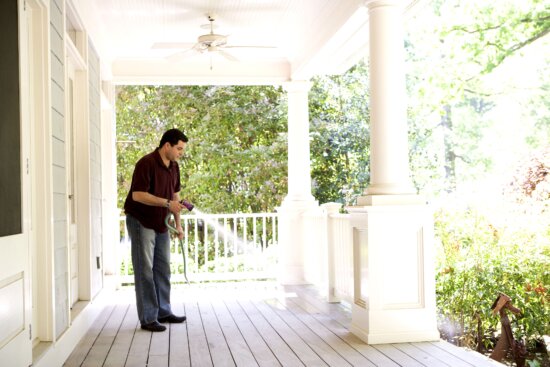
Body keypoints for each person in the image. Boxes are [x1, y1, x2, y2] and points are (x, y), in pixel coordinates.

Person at [124, 128, 188, 332]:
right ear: (166, 145)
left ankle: (163, 311)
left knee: (163, 268)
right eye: (179, 148)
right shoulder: (146, 163)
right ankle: (148, 318)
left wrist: (177, 225)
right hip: (141, 221)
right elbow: (138, 195)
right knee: (145, 270)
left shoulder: (174, 167)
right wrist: (167, 203)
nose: (181, 152)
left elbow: (176, 198)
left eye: (182, 149)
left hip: (161, 222)